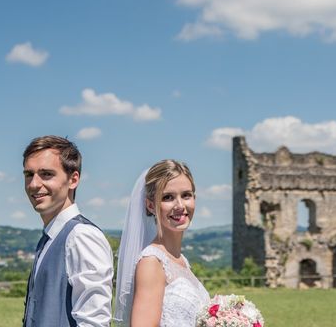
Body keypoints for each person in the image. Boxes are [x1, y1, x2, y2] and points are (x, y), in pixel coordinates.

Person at [21, 135, 113, 327]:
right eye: (29, 174)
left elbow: (94, 322)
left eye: (46, 174)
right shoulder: (49, 238)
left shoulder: (81, 236)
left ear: (73, 179)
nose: (34, 184)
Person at [114, 160, 210, 327]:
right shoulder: (152, 262)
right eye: (168, 197)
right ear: (151, 205)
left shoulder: (181, 261)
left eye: (186, 195)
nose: (180, 205)